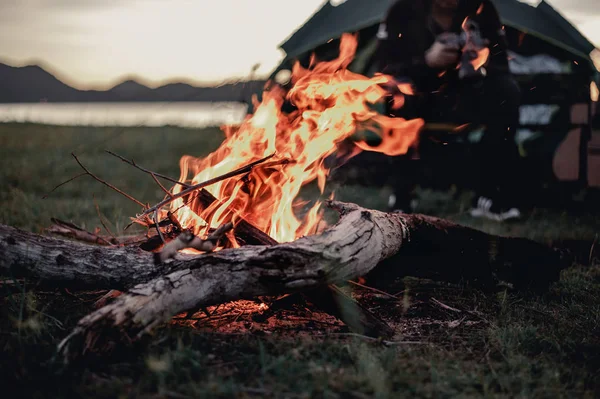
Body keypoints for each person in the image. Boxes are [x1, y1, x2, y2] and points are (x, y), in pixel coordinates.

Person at [373, 0, 523, 221]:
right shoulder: (402, 10)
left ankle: (489, 193)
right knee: (395, 94)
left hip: (466, 99)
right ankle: (402, 193)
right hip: (421, 101)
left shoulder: (482, 9)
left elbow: (503, 65)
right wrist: (426, 61)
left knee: (507, 91)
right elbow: (384, 69)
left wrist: (479, 63)